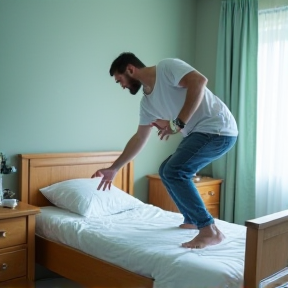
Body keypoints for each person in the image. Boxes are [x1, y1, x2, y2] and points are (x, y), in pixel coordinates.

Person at [91, 52, 238, 249]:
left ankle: (209, 230)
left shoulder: (166, 68)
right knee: (165, 170)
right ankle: (192, 219)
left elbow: (199, 81)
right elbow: (139, 138)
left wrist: (177, 123)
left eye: (120, 81)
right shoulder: (148, 103)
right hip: (199, 133)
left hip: (218, 128)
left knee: (175, 171)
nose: (123, 86)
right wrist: (114, 168)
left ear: (130, 69)